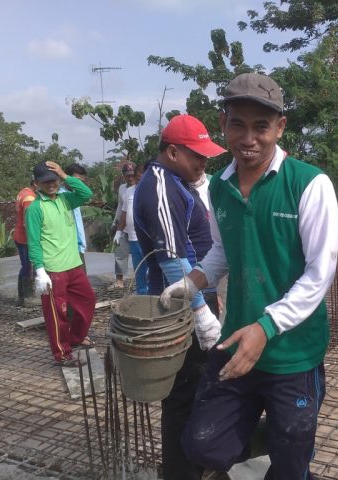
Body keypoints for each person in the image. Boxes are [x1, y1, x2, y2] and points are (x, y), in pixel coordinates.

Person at [161, 73, 338, 479]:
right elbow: (224, 251)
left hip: (293, 350)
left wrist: (267, 326)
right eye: (237, 124)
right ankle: (274, 433)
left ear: (280, 127)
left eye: (261, 126)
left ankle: (286, 441)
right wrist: (191, 283)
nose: (248, 138)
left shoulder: (309, 184)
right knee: (201, 444)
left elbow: (319, 273)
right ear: (223, 123)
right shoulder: (220, 187)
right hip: (236, 339)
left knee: (291, 465)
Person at [133, 114, 226, 480]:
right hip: (180, 306)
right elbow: (172, 257)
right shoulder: (159, 186)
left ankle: (193, 461)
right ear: (172, 152)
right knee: (184, 393)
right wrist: (200, 312)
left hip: (194, 296)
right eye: (196, 156)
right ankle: (179, 471)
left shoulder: (175, 182)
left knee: (199, 387)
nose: (203, 163)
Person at [26, 161, 96, 367]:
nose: (51, 184)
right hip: (52, 270)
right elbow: (34, 241)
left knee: (88, 301)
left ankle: (75, 338)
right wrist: (40, 271)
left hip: (73, 265)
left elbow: (86, 194)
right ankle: (62, 354)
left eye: (53, 180)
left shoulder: (65, 199)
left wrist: (64, 175)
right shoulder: (35, 208)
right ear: (37, 183)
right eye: (45, 181)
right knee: (57, 315)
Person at [116, 163, 147, 294]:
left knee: (150, 269)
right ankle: (142, 294)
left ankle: (152, 293)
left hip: (147, 238)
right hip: (133, 237)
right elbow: (124, 212)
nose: (140, 181)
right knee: (139, 269)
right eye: (138, 179)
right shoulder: (128, 191)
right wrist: (118, 230)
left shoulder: (151, 191)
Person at [13, 177, 37, 306]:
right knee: (28, 267)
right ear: (35, 184)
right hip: (26, 238)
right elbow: (28, 222)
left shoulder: (23, 192)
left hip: (19, 236)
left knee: (25, 266)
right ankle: (27, 297)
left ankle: (22, 297)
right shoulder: (29, 198)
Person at [112, 161, 136, 289]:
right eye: (128, 175)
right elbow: (120, 207)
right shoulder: (122, 188)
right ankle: (119, 280)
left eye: (132, 174)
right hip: (123, 227)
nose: (130, 177)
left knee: (140, 255)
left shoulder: (141, 187)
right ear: (124, 175)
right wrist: (115, 223)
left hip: (137, 229)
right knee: (120, 253)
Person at [61, 163, 88, 266]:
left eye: (81, 182)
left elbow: (87, 193)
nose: (78, 184)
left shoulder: (76, 196)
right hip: (68, 249)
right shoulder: (62, 196)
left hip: (78, 247)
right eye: (75, 181)